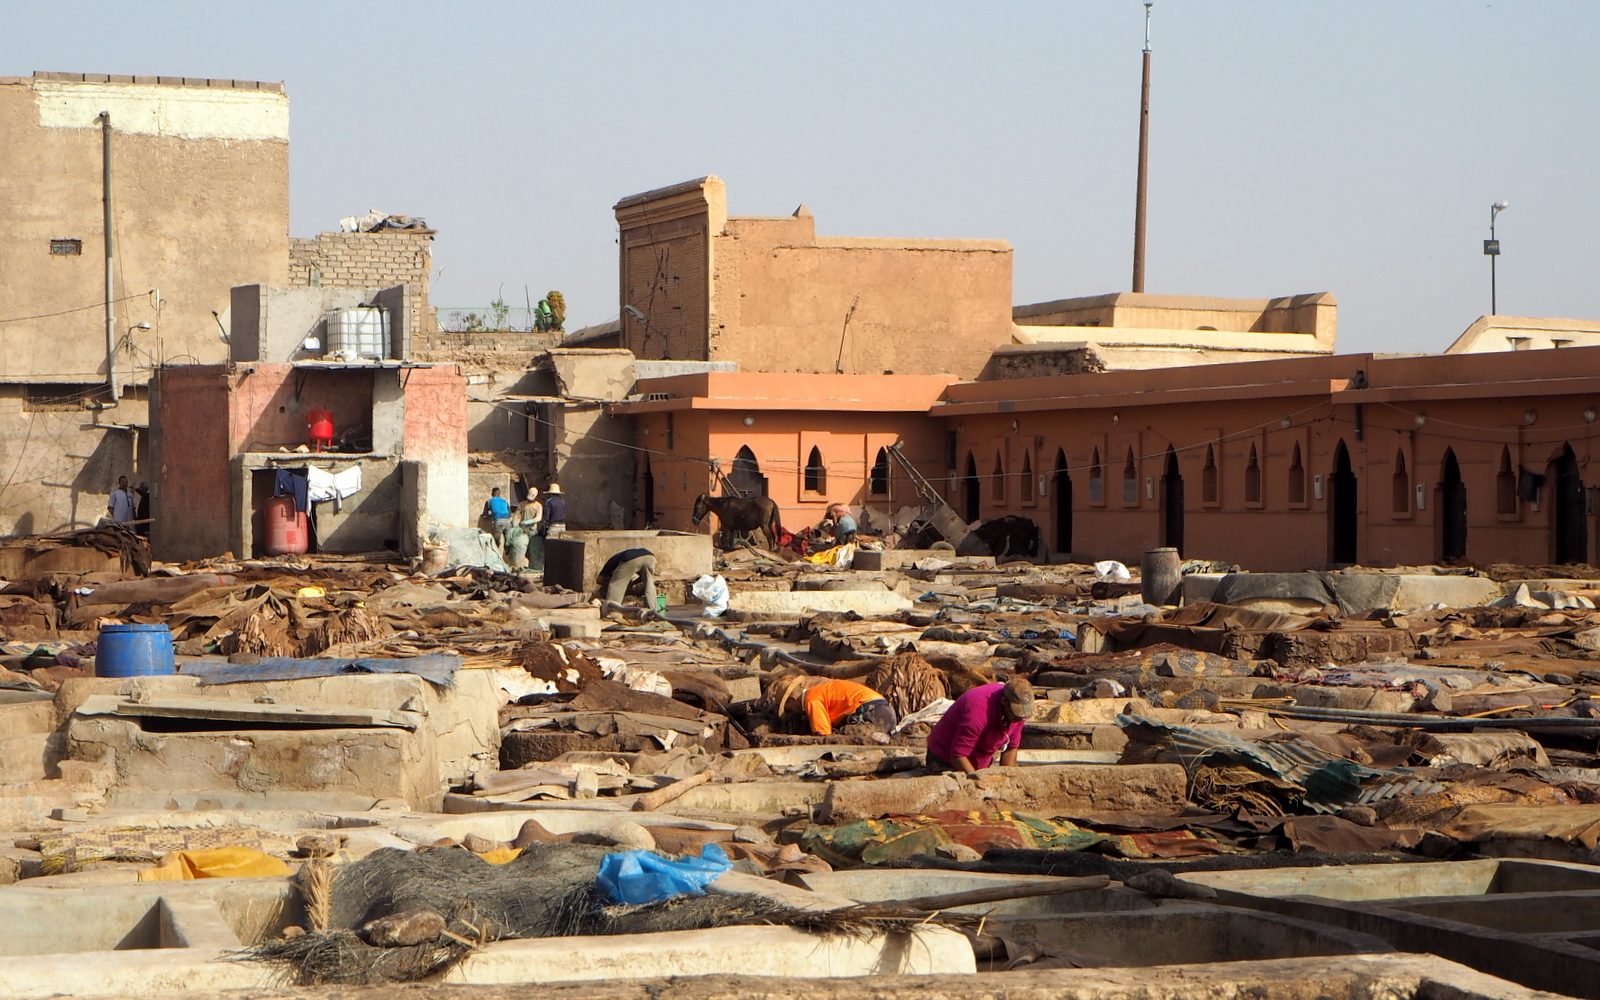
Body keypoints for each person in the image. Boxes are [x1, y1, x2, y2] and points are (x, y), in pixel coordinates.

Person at [926, 677, 1034, 773]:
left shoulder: (1019, 712)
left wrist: (1009, 779)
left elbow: (1011, 748)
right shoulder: (978, 712)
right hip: (945, 758)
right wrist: (976, 781)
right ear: (1004, 702)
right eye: (1017, 715)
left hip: (979, 759)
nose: (1020, 719)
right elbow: (958, 755)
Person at [777, 676, 897, 737]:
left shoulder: (811, 699)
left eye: (788, 709)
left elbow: (823, 734)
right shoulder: (822, 690)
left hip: (871, 712)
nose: (791, 713)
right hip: (886, 710)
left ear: (792, 700)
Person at [599, 547, 656, 611]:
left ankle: (612, 611)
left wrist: (608, 584)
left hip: (630, 559)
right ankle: (652, 611)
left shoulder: (609, 564)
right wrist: (632, 584)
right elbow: (642, 578)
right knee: (649, 584)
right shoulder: (618, 558)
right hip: (650, 557)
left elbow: (599, 580)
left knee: (616, 584)